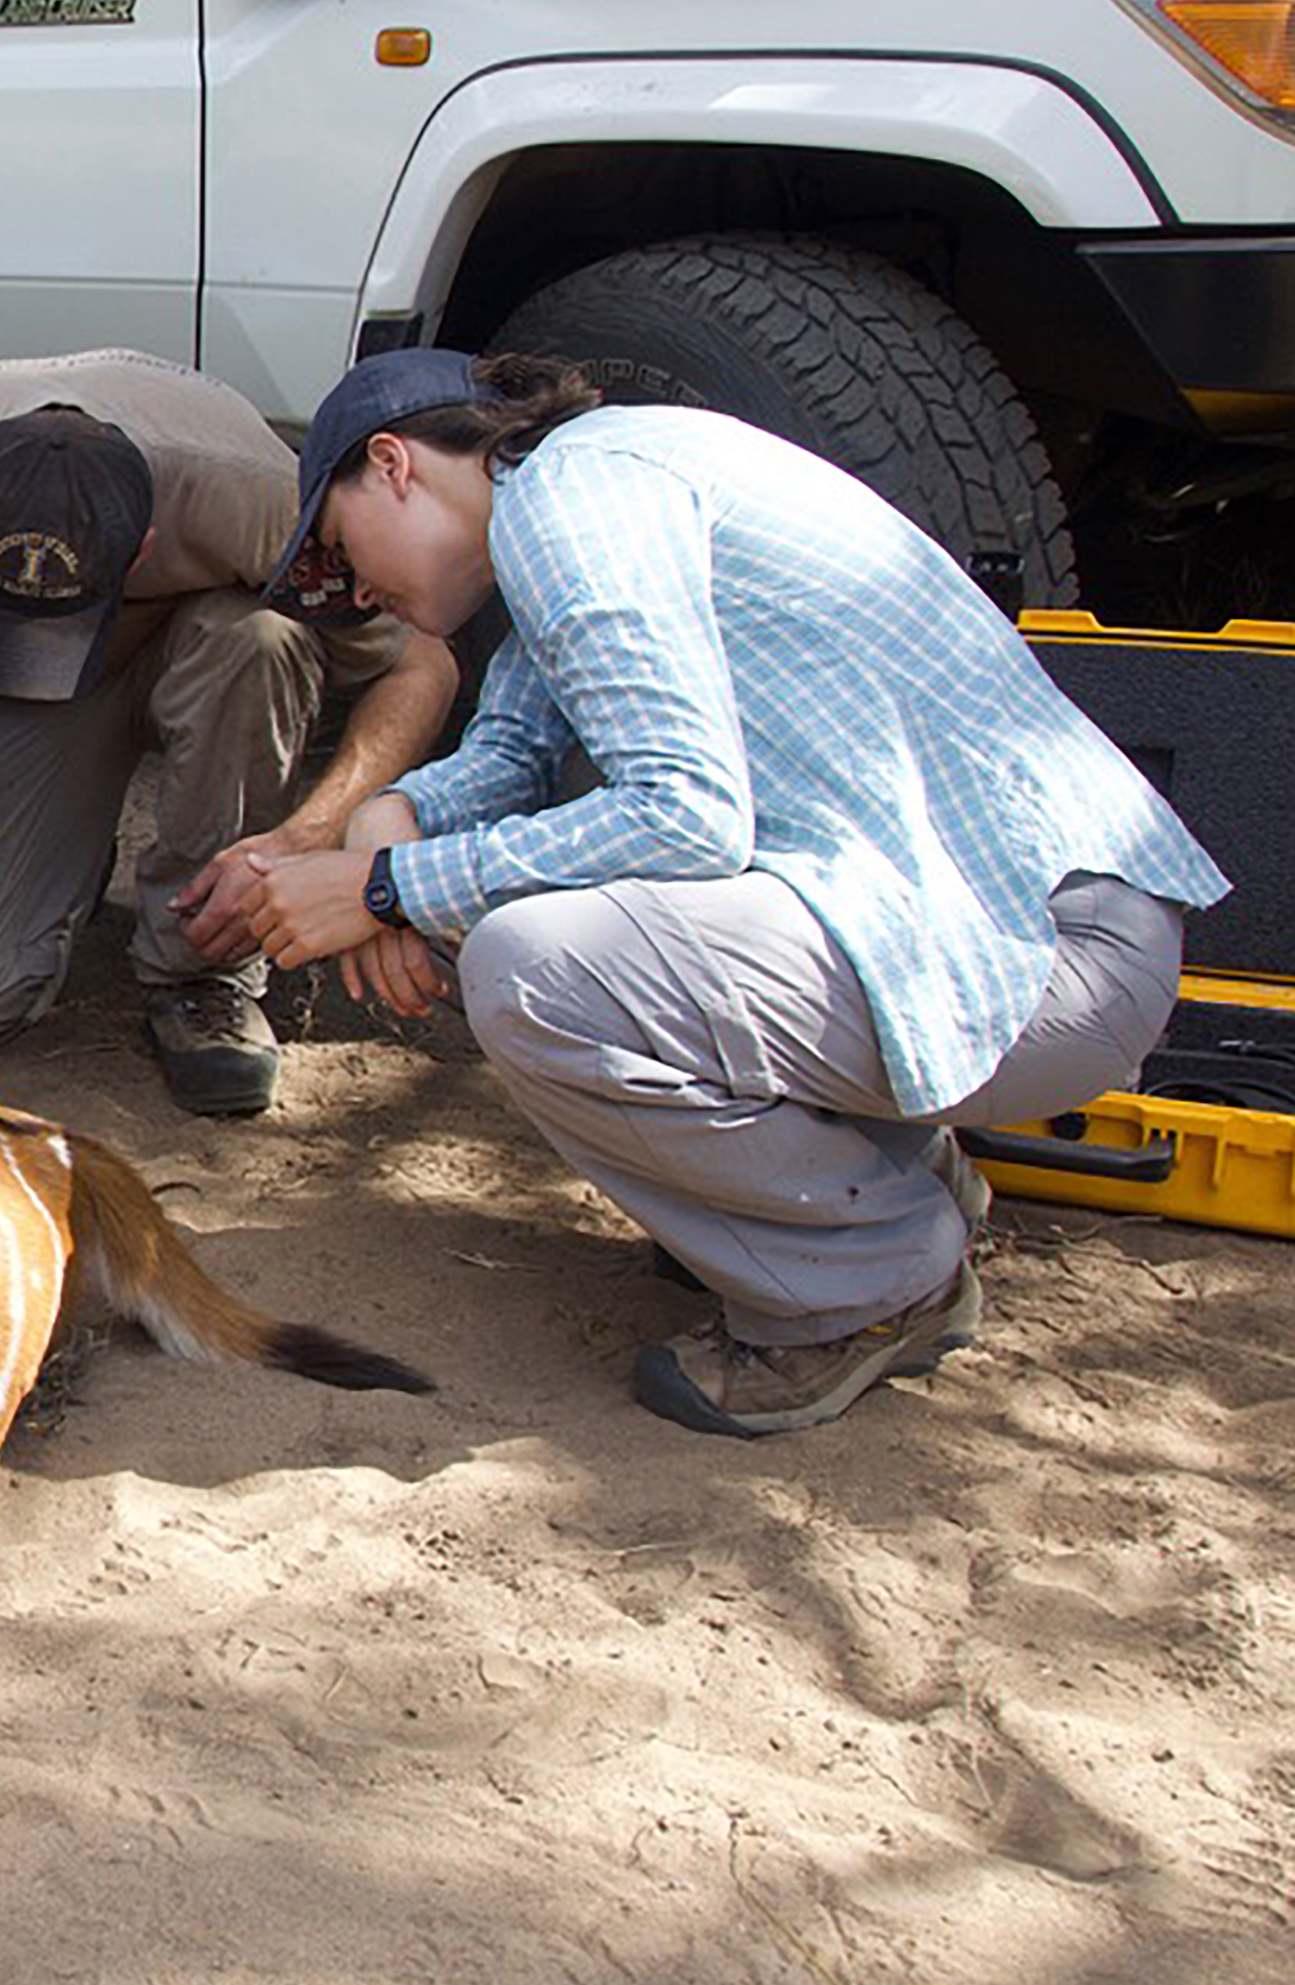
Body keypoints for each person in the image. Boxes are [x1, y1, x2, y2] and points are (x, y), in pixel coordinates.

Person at [227, 351, 1227, 1436]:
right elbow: (514, 750)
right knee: (505, 904)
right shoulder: (585, 483)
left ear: (393, 465)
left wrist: (385, 888)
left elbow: (685, 817)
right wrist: (394, 823)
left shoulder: (572, 502)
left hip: (1040, 958)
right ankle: (885, 1180)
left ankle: (873, 1284)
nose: (359, 595)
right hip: (1005, 940)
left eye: (339, 549)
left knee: (534, 964)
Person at [0, 351, 456, 1116]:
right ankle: (69, 858)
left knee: (259, 640)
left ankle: (202, 970)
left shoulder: (253, 497)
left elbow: (424, 667)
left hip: (205, 655)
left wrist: (304, 837)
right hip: (20, 692)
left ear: (145, 546)